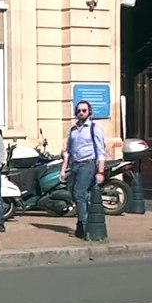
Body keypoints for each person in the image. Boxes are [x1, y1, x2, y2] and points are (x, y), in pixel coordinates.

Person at [60, 99, 107, 240]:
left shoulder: (94, 128)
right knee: (75, 194)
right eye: (79, 110)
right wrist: (63, 169)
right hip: (75, 165)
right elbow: (68, 151)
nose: (81, 113)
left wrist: (100, 172)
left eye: (84, 110)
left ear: (89, 112)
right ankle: (83, 222)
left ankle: (84, 227)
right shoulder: (73, 130)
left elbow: (100, 151)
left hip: (88, 164)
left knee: (79, 193)